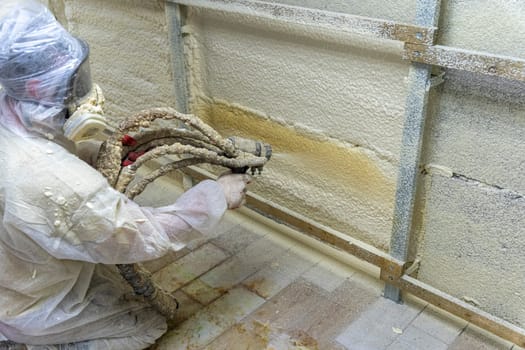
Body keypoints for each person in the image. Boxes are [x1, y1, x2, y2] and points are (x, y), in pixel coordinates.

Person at [0, 1, 251, 349]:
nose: (80, 91)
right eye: (69, 82)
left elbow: (47, 158)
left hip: (12, 269)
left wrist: (92, 155)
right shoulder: (56, 181)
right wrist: (216, 197)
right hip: (30, 305)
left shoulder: (8, 105)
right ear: (35, 87)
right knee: (145, 326)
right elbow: (136, 237)